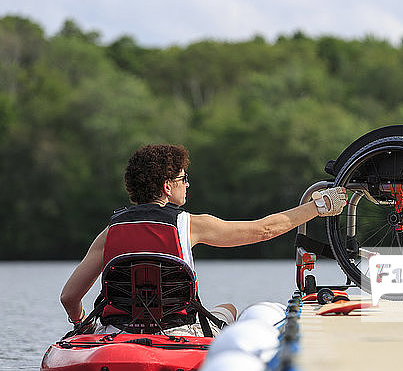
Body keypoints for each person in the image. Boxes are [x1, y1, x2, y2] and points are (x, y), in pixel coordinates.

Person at [60, 144, 346, 336]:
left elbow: (69, 297)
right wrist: (319, 206)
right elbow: (264, 230)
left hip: (116, 334)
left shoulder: (108, 233)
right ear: (167, 186)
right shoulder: (191, 225)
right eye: (183, 178)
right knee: (231, 310)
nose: (187, 184)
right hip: (176, 333)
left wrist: (80, 323)